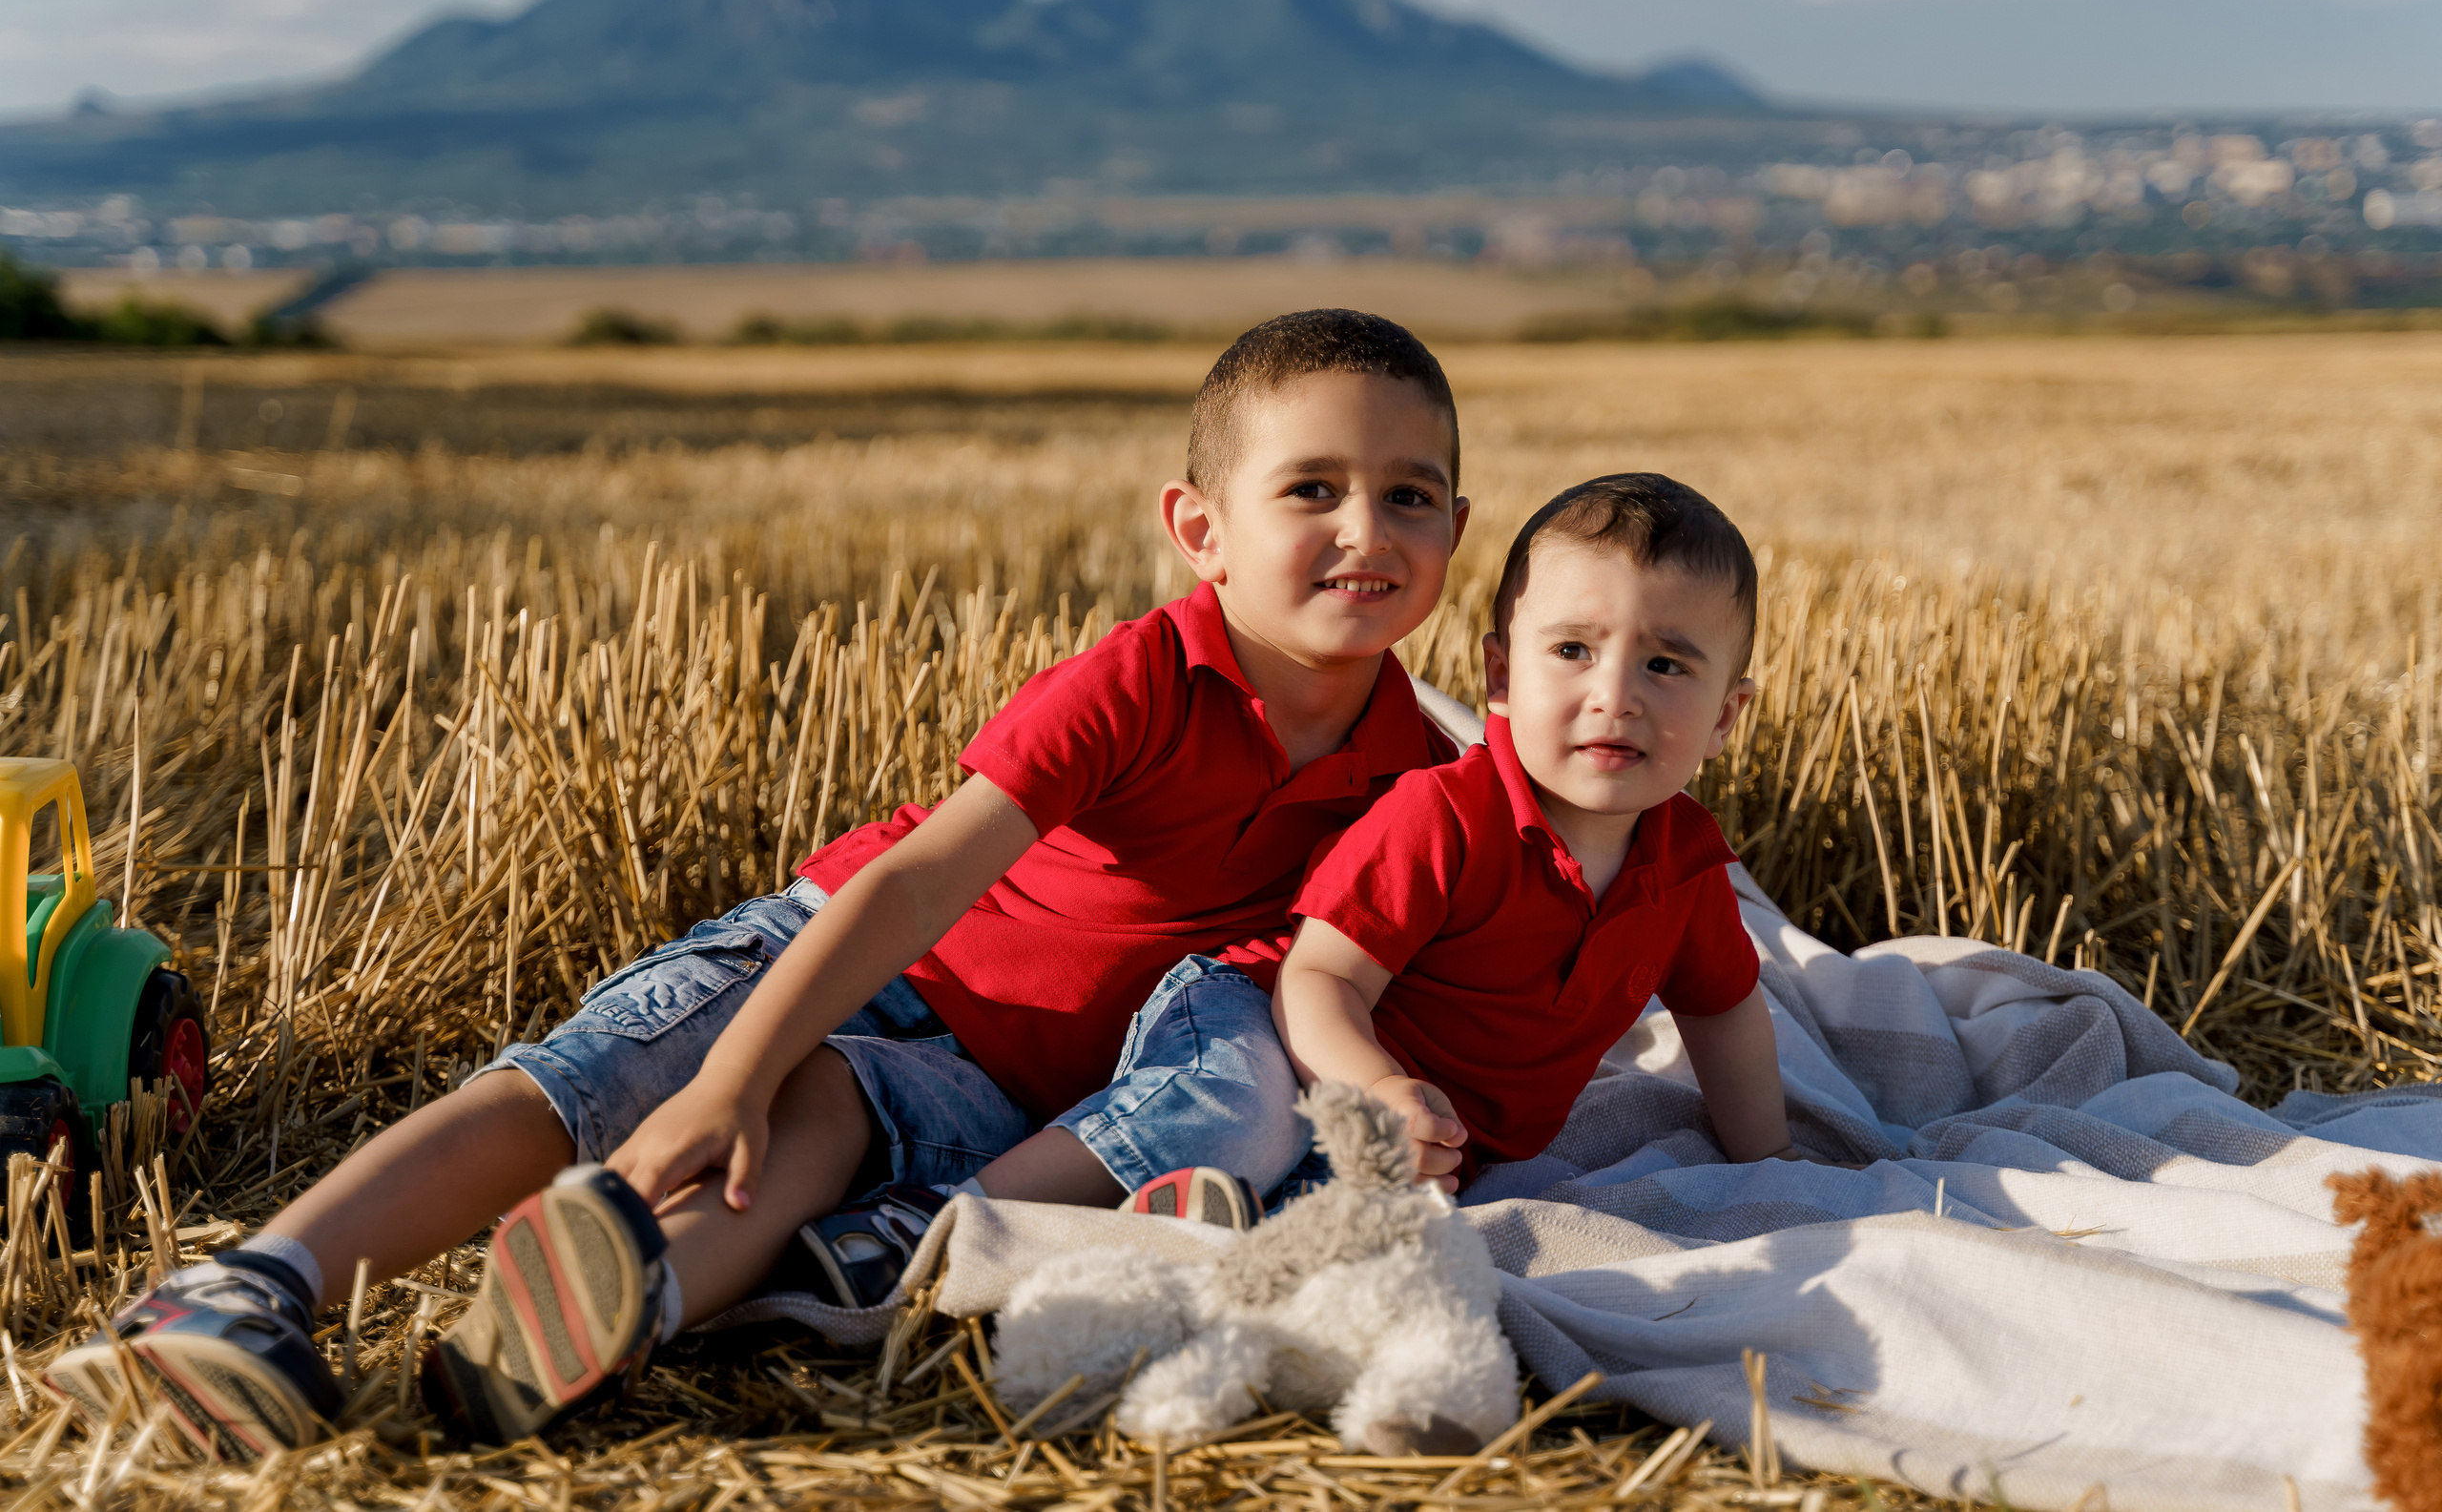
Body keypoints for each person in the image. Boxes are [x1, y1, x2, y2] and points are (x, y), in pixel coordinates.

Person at [48, 309, 1473, 1460]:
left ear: (1456, 533)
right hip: (847, 954)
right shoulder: (1143, 678)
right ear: (1199, 524)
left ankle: (603, 1309)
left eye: (1409, 495)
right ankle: (252, 1287)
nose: (1368, 528)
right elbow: (913, 885)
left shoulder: (1415, 768)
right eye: (1313, 489)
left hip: (988, 1080)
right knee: (592, 1089)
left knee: (787, 1156)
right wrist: (736, 1062)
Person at [1274, 472, 1817, 1194]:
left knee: (1363, 1219)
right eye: (1572, 651)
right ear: (1501, 676)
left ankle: (1214, 1213)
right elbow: (1317, 977)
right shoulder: (1446, 817)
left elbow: (1724, 1011)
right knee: (1233, 1120)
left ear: (1724, 716)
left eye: (1664, 665)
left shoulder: (1685, 866)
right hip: (1281, 1050)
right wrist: (1375, 1089)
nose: (1615, 697)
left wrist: (1769, 1160)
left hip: (1429, 1146)